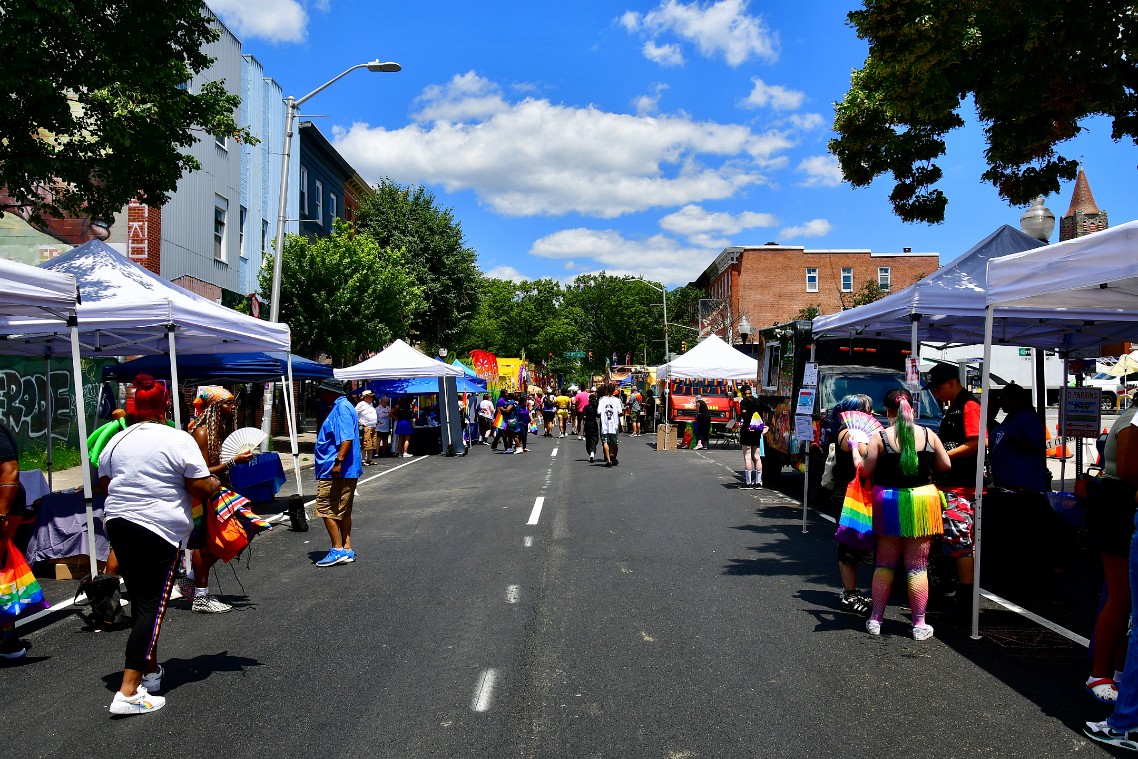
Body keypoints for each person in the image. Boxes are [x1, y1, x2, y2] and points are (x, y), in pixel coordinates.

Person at [98, 374, 220, 715]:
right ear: (166, 405)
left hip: (119, 524)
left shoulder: (118, 440)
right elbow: (198, 487)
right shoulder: (177, 439)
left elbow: (106, 481)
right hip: (157, 529)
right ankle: (128, 691)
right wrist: (213, 483)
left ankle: (149, 671)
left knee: (141, 602)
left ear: (136, 406)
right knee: (152, 607)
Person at [857, 387, 951, 640]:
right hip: (922, 502)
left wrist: (858, 453)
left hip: (889, 502)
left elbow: (865, 471)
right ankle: (919, 624)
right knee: (917, 568)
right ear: (911, 408)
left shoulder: (880, 437)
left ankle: (876, 619)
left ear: (888, 411)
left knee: (885, 564)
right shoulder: (929, 434)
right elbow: (945, 465)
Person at [1083, 404, 1138, 704]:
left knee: (1126, 599)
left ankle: (1117, 672)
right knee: (1121, 597)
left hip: (1117, 503)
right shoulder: (1133, 418)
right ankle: (1100, 673)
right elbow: (1131, 468)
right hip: (1118, 504)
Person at [183, 386, 254, 614]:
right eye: (228, 403)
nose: (233, 408)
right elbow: (202, 472)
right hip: (203, 494)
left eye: (234, 403)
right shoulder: (202, 432)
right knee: (204, 542)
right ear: (214, 406)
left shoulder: (219, 429)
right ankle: (201, 595)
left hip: (219, 491)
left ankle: (192, 578)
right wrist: (233, 461)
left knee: (243, 530)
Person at [925, 362, 981, 603]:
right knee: (951, 538)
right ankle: (955, 587)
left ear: (951, 383)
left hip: (963, 484)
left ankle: (966, 595)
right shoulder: (953, 406)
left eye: (936, 389)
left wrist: (944, 457)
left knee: (960, 539)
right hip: (950, 483)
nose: (935, 394)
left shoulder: (969, 405)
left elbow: (977, 443)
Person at [828, 394, 875, 614]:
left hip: (859, 494)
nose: (871, 414)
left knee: (858, 544)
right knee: (848, 544)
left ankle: (853, 591)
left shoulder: (862, 432)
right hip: (847, 495)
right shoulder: (848, 433)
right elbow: (866, 455)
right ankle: (849, 593)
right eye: (867, 410)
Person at [313, 378, 362, 567]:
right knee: (343, 509)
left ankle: (337, 549)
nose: (320, 395)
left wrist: (338, 462)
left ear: (330, 392)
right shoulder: (345, 406)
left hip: (335, 470)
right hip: (345, 470)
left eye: (322, 391)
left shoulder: (341, 408)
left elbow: (346, 438)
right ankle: (346, 547)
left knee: (326, 508)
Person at [0, 417, 29, 659]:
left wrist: (1, 515)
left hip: (5, 508)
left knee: (2, 573)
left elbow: (10, 470)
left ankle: (7, 640)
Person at [738, 385, 767, 488]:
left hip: (747, 430)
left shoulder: (744, 402)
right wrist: (766, 425)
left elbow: (744, 412)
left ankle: (748, 481)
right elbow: (770, 410)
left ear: (742, 393)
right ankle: (759, 481)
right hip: (757, 430)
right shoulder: (758, 401)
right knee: (757, 457)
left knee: (747, 457)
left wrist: (746, 423)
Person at [598, 384, 624, 467]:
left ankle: (608, 460)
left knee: (605, 442)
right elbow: (620, 412)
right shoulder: (617, 400)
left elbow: (599, 412)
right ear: (614, 391)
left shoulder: (602, 400)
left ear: (606, 390)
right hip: (614, 424)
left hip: (605, 424)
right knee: (615, 442)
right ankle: (614, 458)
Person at [356, 389, 378, 465]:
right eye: (370, 397)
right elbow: (355, 413)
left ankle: (369, 459)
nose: (372, 398)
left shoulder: (371, 404)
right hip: (366, 426)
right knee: (365, 443)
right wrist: (359, 422)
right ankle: (363, 459)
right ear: (366, 397)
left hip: (373, 426)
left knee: (372, 443)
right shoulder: (361, 404)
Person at [583, 391, 600, 463]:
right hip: (594, 423)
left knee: (588, 438)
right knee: (594, 438)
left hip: (587, 423)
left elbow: (584, 417)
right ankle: (592, 452)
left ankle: (590, 452)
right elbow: (598, 416)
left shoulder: (586, 407)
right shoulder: (596, 407)